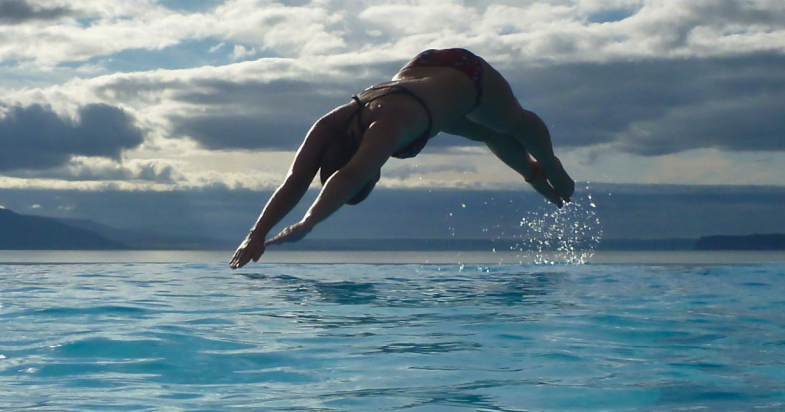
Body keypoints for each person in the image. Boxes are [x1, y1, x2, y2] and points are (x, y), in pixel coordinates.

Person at [229, 47, 574, 269]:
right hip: (423, 73)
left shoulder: (386, 129)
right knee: (485, 132)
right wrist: (256, 234)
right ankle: (531, 173)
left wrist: (307, 224)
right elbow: (296, 180)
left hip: (469, 76)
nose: (375, 172)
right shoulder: (335, 121)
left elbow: (347, 178)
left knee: (510, 122)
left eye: (373, 175)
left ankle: (550, 164)